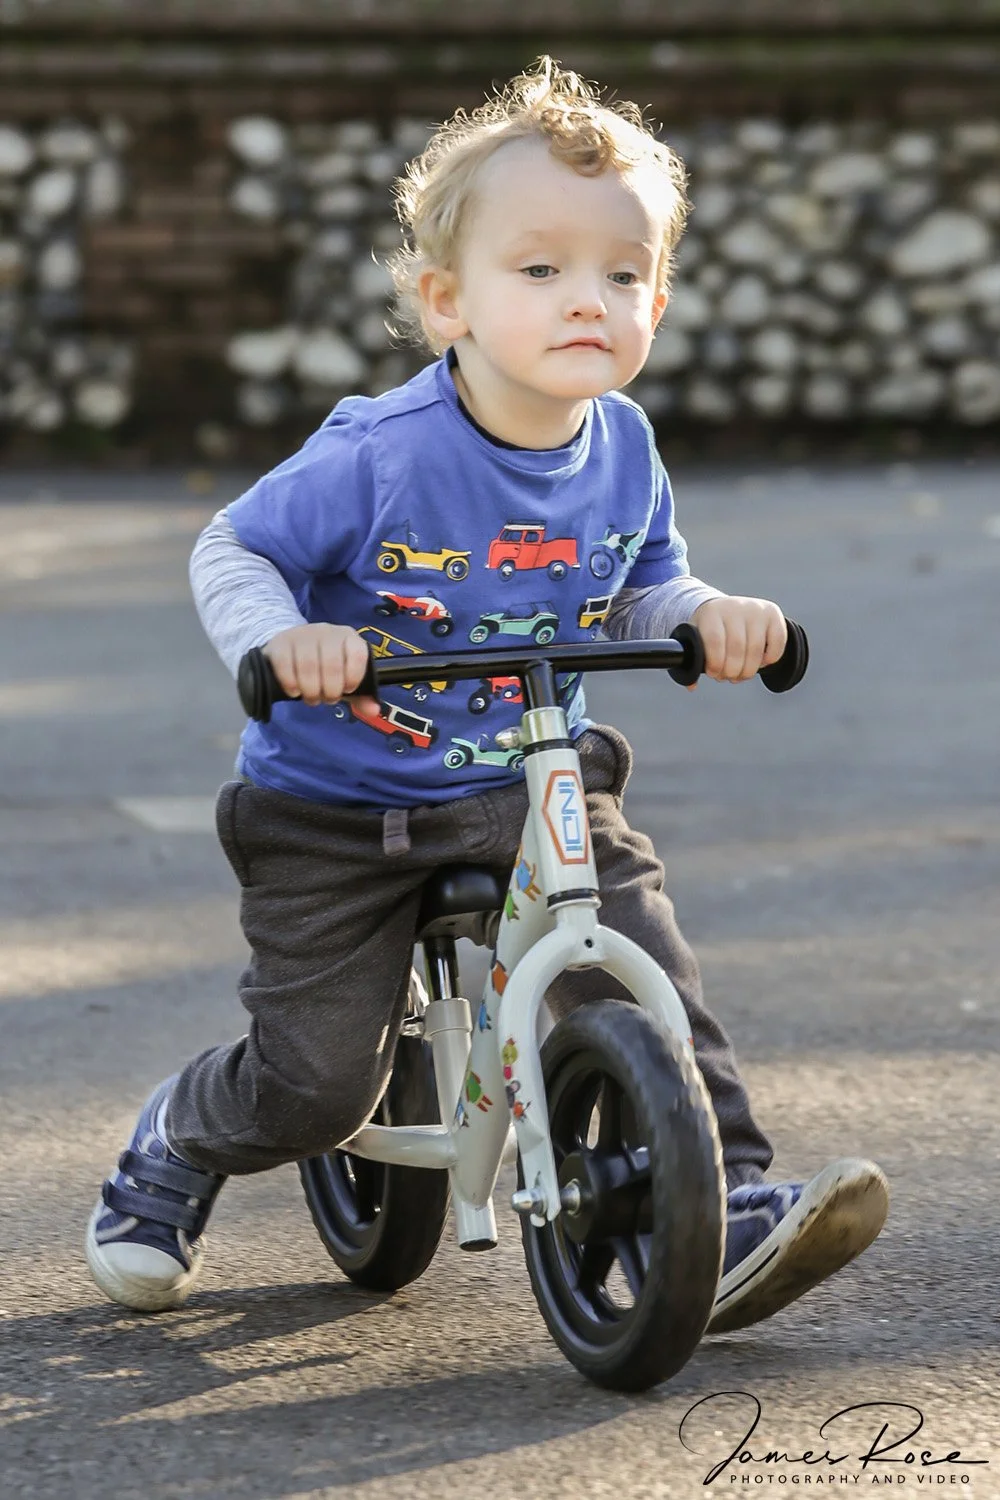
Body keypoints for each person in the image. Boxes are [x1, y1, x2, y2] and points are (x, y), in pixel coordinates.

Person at [86, 57, 888, 1332]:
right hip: (335, 808)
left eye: (621, 274)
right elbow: (234, 547)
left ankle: (721, 1201)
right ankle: (180, 1136)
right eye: (543, 270)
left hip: (532, 783)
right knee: (315, 1092)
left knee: (638, 973)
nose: (590, 299)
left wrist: (707, 619)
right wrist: (287, 636)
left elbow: (642, 588)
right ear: (446, 300)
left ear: (658, 302)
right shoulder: (379, 455)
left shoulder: (622, 446)